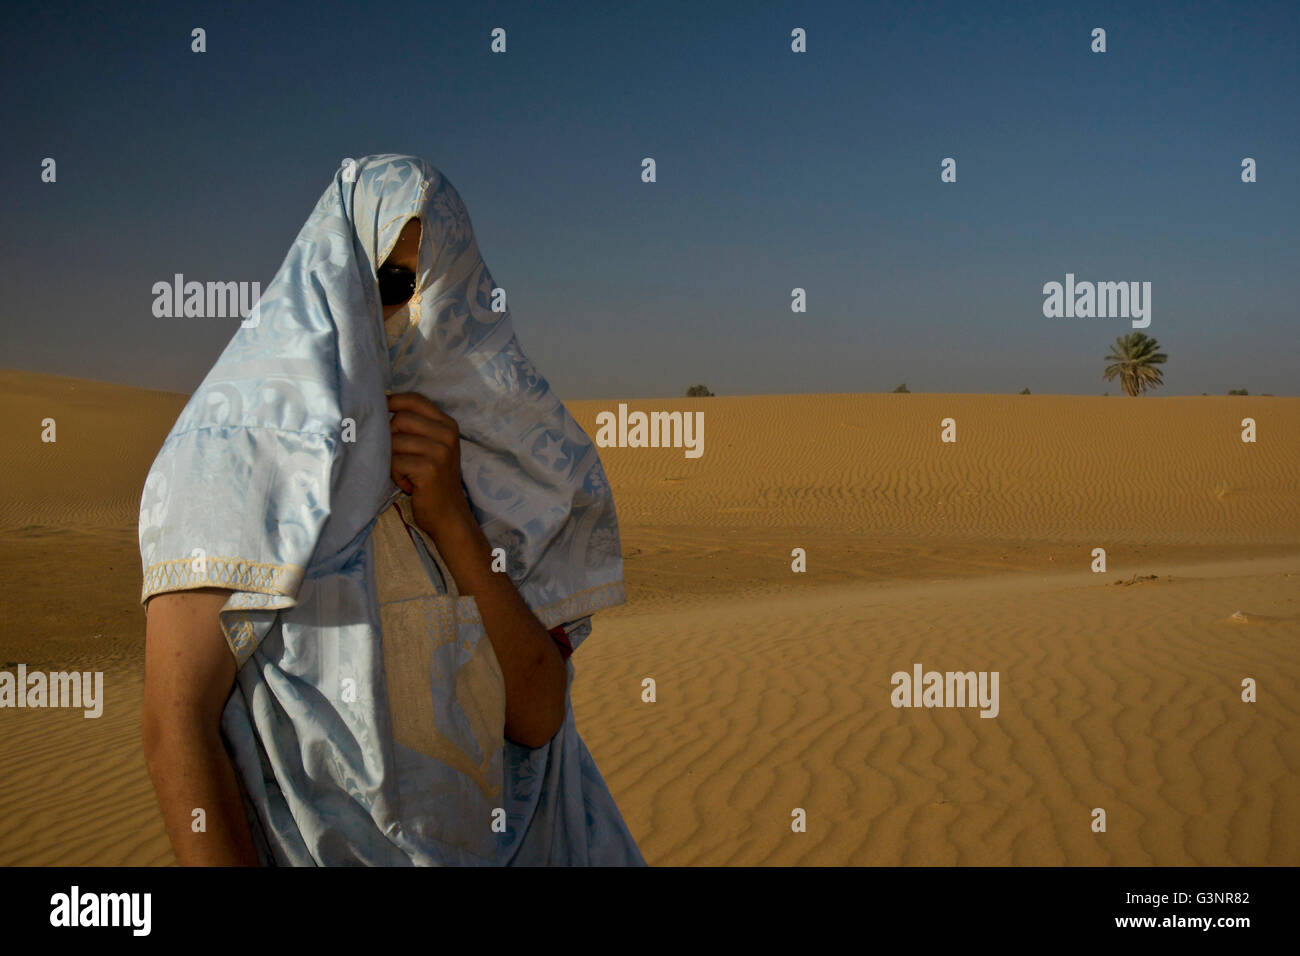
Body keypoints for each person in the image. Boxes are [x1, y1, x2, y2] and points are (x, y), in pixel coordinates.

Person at [139, 154, 644, 866]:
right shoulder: (234, 454)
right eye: (392, 284)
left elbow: (536, 716)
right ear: (333, 278)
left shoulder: (492, 465)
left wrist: (453, 522)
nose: (413, 317)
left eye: (442, 285)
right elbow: (175, 726)